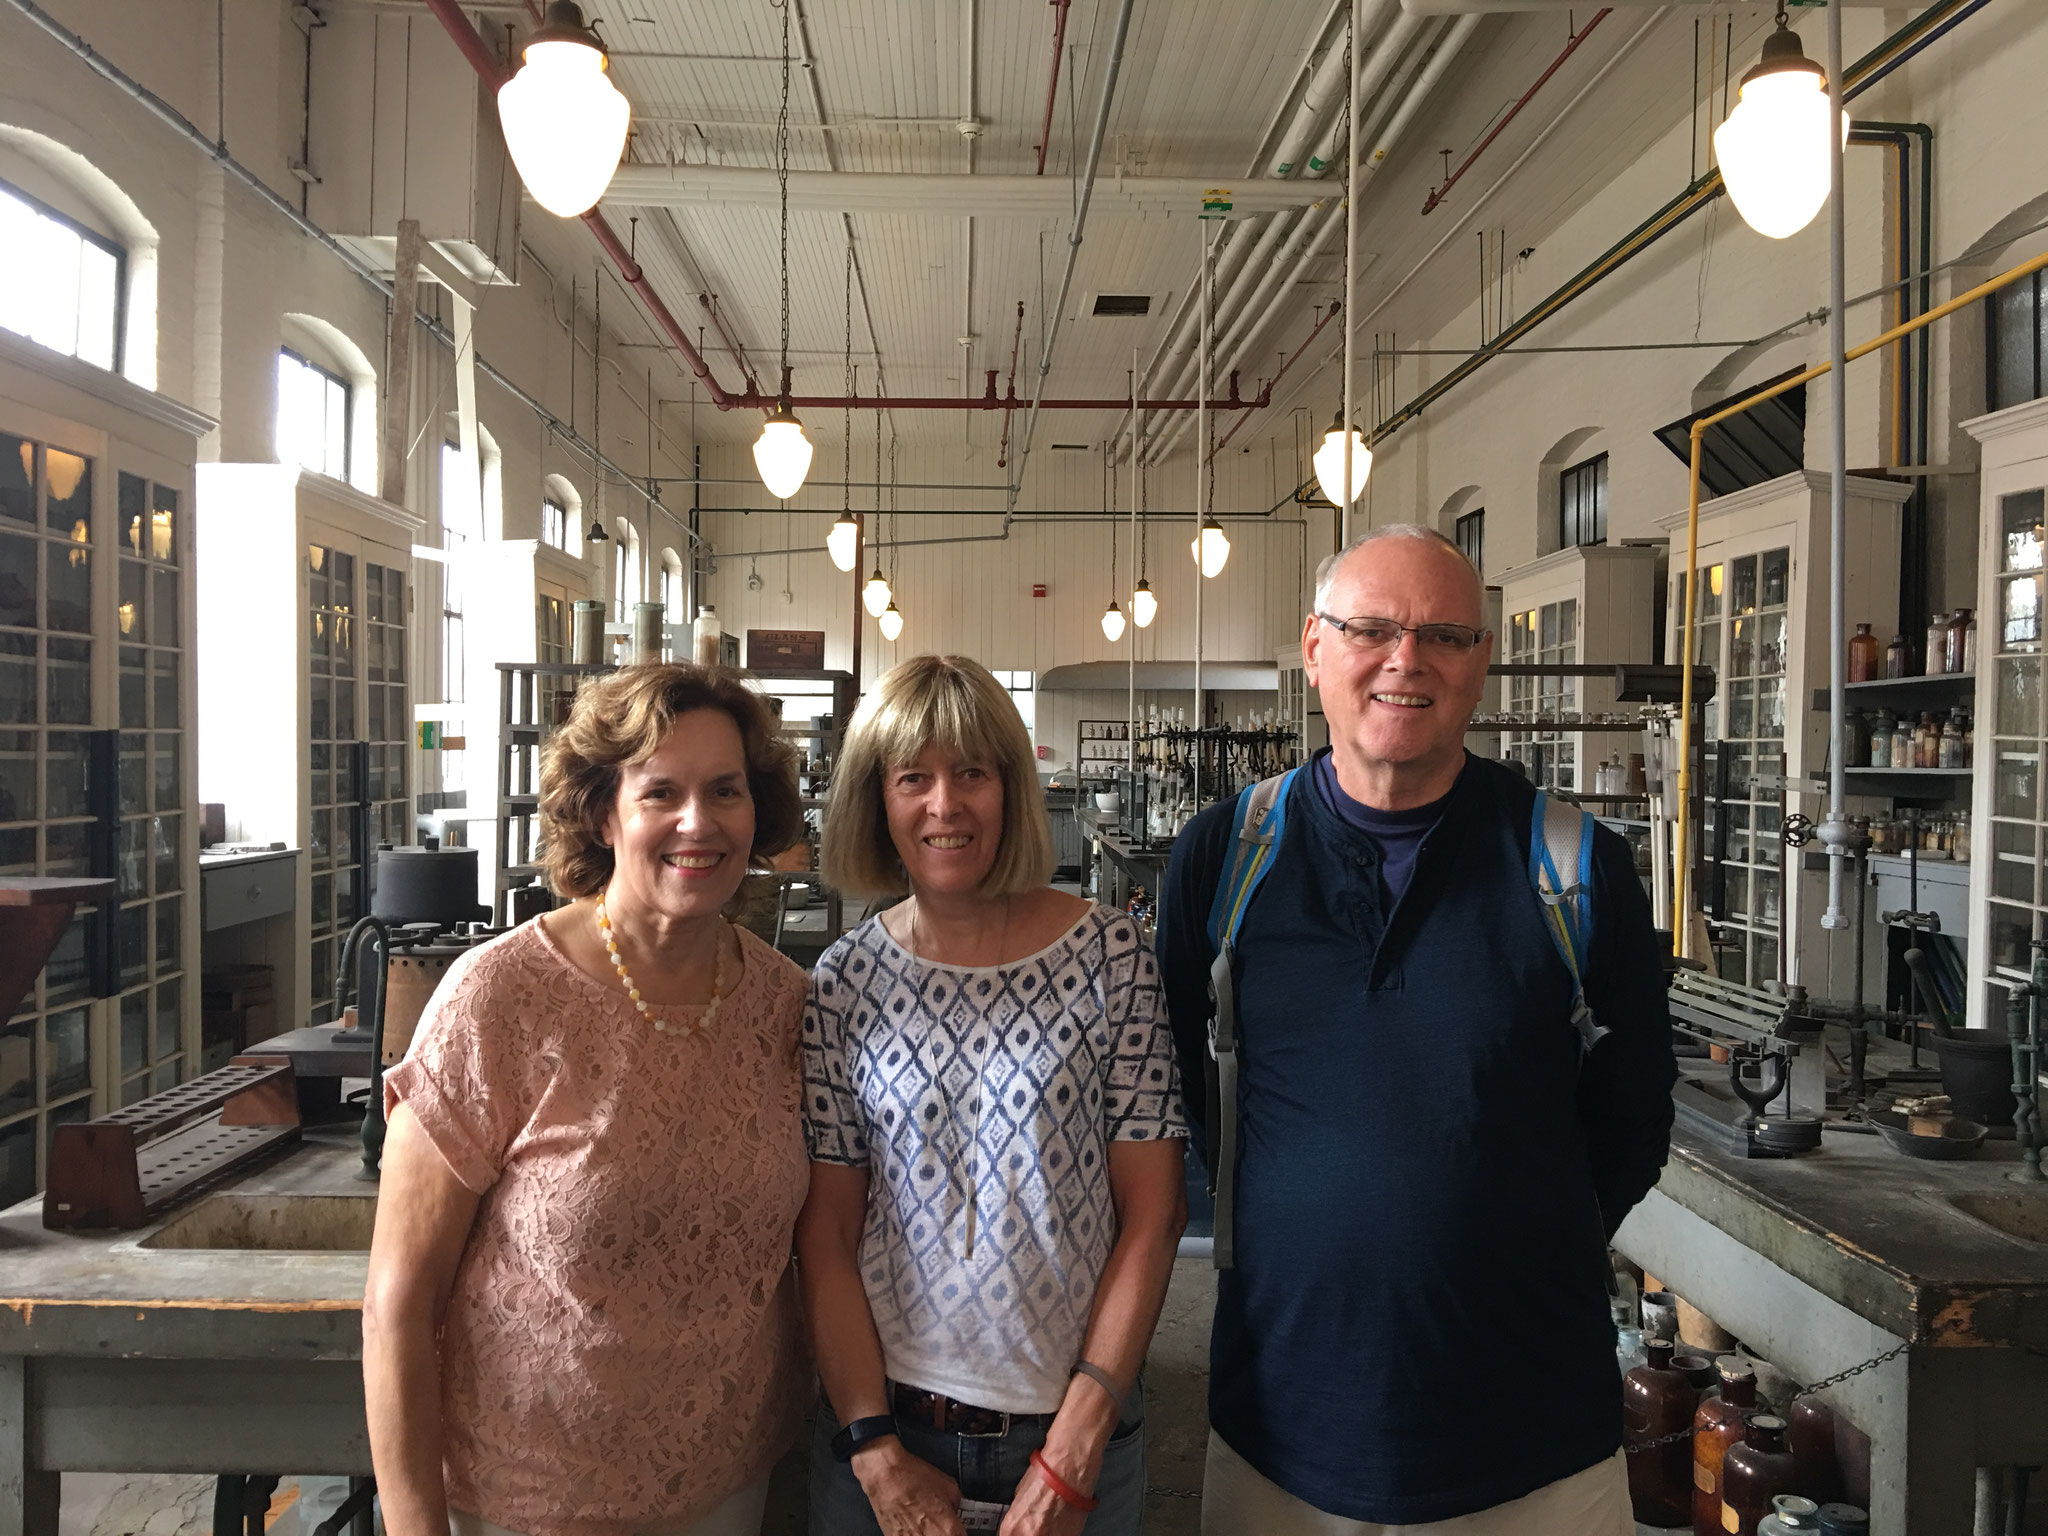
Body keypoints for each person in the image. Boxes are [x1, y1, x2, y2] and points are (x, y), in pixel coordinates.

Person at [1157, 525, 1676, 1536]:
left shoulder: (1576, 867)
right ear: (1313, 647)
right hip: (1281, 1433)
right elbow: (1185, 1097)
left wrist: (1492, 1244)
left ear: (1479, 661)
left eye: (1442, 633)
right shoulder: (1222, 857)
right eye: (1371, 630)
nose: (1406, 660)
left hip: (1533, 1453)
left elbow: (1631, 1122)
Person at [364, 663, 813, 1536]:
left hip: (730, 1482)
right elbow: (397, 1304)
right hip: (529, 1496)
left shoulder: (786, 1006)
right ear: (605, 813)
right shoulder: (498, 999)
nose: (698, 822)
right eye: (661, 793)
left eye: (725, 791)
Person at [797, 655, 1188, 1536]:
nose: (945, 805)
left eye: (972, 771)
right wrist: (870, 1445)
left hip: (1067, 1434)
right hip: (886, 1435)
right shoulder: (843, 982)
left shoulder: (1110, 957)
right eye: (913, 778)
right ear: (877, 800)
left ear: (1011, 788)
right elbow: (825, 1234)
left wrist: (1079, 1440)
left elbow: (1154, 1215)